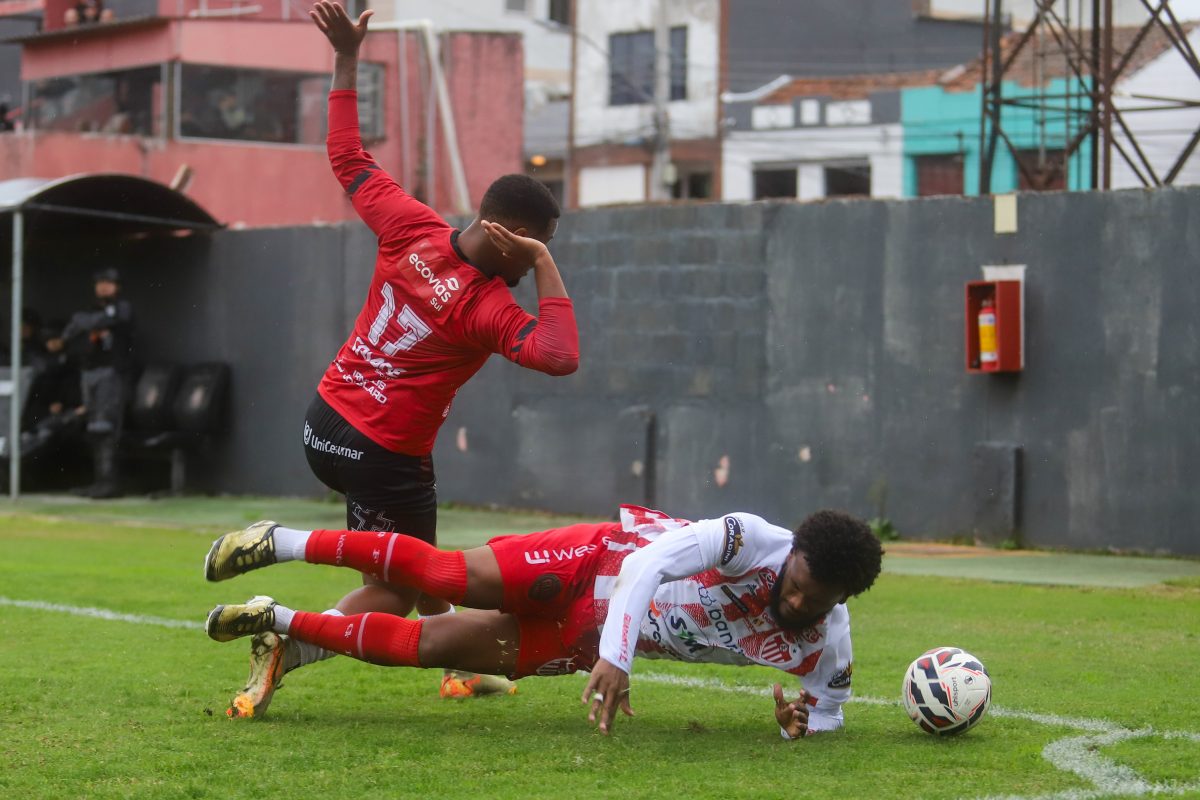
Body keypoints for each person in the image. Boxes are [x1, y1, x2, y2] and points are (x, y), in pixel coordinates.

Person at [216, 0, 579, 718]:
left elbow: (347, 155)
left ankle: (457, 668)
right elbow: (559, 355)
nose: (539, 257)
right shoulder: (486, 309)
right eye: (536, 244)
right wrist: (542, 268)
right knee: (409, 580)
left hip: (326, 423)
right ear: (509, 239)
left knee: (420, 559)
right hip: (384, 452)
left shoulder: (409, 224)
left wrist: (347, 59)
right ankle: (291, 640)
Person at [204, 505, 883, 737]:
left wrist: (798, 730)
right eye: (795, 587)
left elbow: (825, 718)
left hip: (578, 640)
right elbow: (647, 566)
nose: (796, 606)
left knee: (426, 645)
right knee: (442, 575)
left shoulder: (828, 645)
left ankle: (280, 618)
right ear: (790, 555)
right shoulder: (748, 538)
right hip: (595, 563)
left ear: (842, 599)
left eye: (815, 602)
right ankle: (280, 541)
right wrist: (619, 658)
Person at [53, 268, 135, 499]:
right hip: (89, 372)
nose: (104, 287)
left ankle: (111, 483)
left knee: (106, 428)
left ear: (117, 286)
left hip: (112, 374)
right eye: (100, 283)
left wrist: (87, 322)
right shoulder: (90, 309)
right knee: (93, 428)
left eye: (109, 283)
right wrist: (87, 323)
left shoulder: (122, 307)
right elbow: (71, 331)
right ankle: (99, 481)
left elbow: (114, 319)